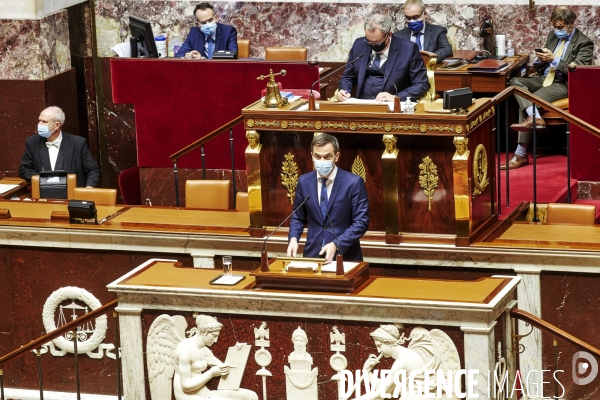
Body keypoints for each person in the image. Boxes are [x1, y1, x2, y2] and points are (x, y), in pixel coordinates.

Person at [503, 6, 593, 170]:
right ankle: (535, 116)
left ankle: (520, 153)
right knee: (515, 83)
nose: (557, 30)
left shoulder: (584, 43)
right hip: (543, 77)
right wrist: (540, 60)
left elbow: (578, 71)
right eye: (555, 27)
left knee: (528, 100)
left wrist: (555, 60)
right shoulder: (553, 35)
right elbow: (542, 64)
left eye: (561, 27)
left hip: (562, 83)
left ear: (572, 23)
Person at [287, 133, 370, 263]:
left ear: (336, 157)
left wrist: (337, 244)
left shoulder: (353, 183)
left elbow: (361, 222)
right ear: (312, 156)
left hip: (345, 257)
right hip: (312, 255)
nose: (322, 161)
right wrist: (293, 238)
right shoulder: (304, 181)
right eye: (317, 156)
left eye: (327, 157)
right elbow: (298, 217)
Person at [337, 13, 429, 103]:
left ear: (389, 35)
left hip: (391, 107)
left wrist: (396, 98)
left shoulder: (408, 49)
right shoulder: (359, 45)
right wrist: (344, 90)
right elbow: (348, 77)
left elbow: (421, 84)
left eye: (377, 42)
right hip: (361, 104)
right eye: (369, 41)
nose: (372, 45)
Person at [173, 314, 258, 400]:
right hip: (188, 397)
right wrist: (211, 373)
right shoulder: (185, 349)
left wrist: (238, 351)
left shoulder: (203, 350)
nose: (216, 340)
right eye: (214, 335)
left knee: (252, 396)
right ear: (205, 332)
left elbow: (224, 368)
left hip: (205, 394)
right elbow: (186, 386)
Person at [19, 106, 100, 188]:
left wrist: (89, 188)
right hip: (44, 194)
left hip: (73, 194)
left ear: (57, 125)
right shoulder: (32, 142)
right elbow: (24, 170)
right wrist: (43, 180)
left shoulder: (78, 143)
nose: (39, 124)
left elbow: (92, 170)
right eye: (39, 120)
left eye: (44, 121)